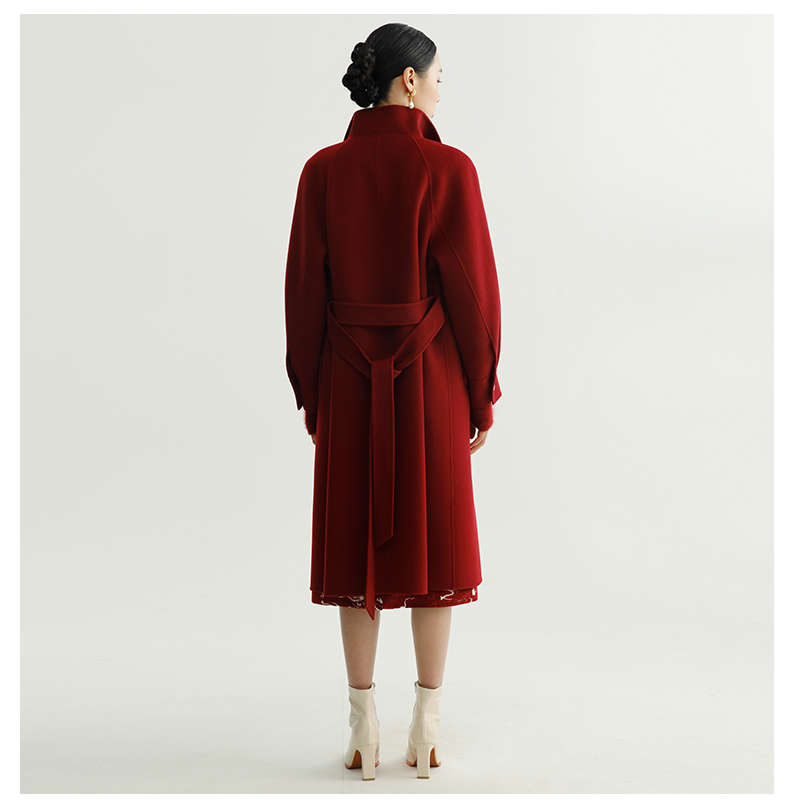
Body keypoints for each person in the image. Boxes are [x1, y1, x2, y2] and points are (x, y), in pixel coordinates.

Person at [284, 22, 502, 780]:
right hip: (431, 377)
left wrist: (314, 396)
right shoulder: (449, 168)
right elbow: (473, 292)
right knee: (434, 546)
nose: (441, 90)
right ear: (409, 81)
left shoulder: (321, 171)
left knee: (356, 548)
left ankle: (362, 725)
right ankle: (427, 726)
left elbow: (302, 294)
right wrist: (481, 391)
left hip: (347, 378)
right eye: (438, 77)